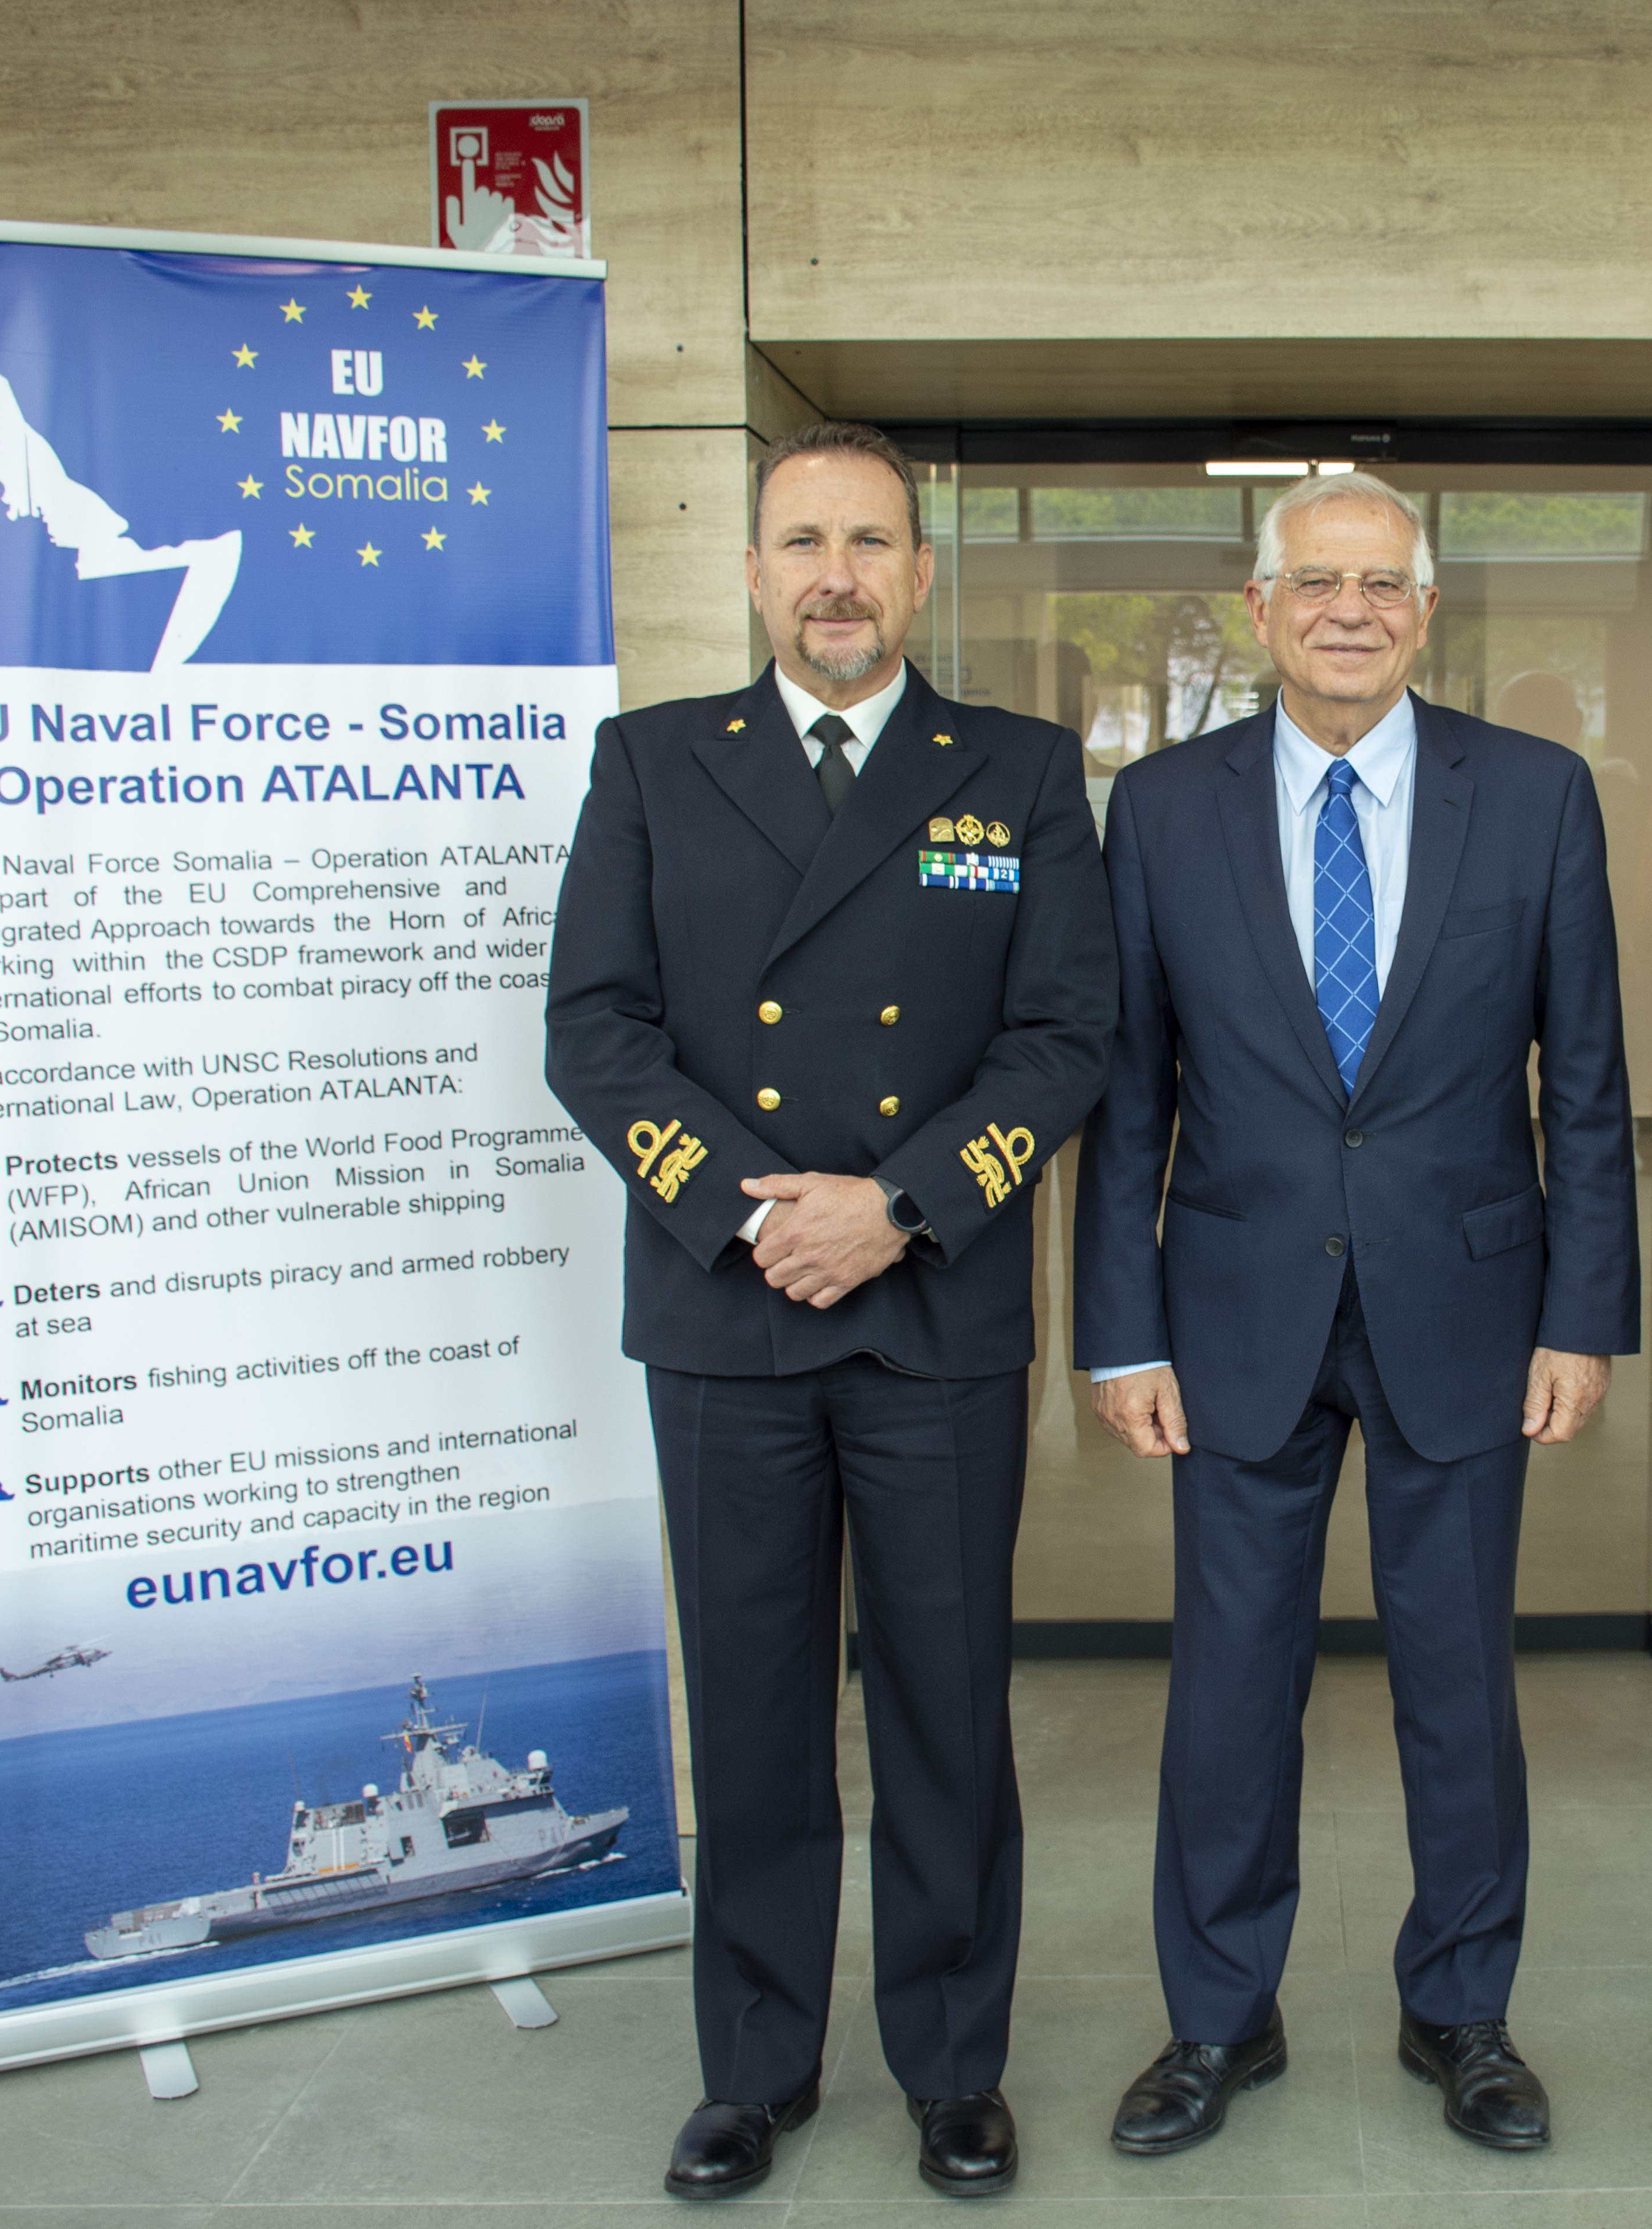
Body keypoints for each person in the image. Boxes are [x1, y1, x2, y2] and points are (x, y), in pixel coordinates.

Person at [543, 419, 1117, 2202]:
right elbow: (595, 1027)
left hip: (930, 1309)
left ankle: (954, 2064)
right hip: (728, 1318)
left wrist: (902, 1205)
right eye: (803, 539)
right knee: (759, 1704)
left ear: (920, 573)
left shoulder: (1017, 769)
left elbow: (1065, 1033)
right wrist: (745, 1209)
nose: (836, 574)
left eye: (870, 540)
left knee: (947, 1706)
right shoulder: (652, 762)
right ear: (753, 570)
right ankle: (755, 2069)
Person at [1072, 472, 1639, 2159]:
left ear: (1427, 608)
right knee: (1228, 1686)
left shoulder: (1534, 795)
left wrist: (1583, 1314)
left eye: (1382, 582)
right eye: (1314, 580)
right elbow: (1125, 1092)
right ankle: (1214, 2020)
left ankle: (1459, 2008)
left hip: (1468, 1305)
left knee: (1459, 1682)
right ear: (1258, 610)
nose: (1348, 609)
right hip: (1231, 1307)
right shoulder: (1160, 809)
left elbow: (1590, 1086)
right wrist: (1119, 1328)